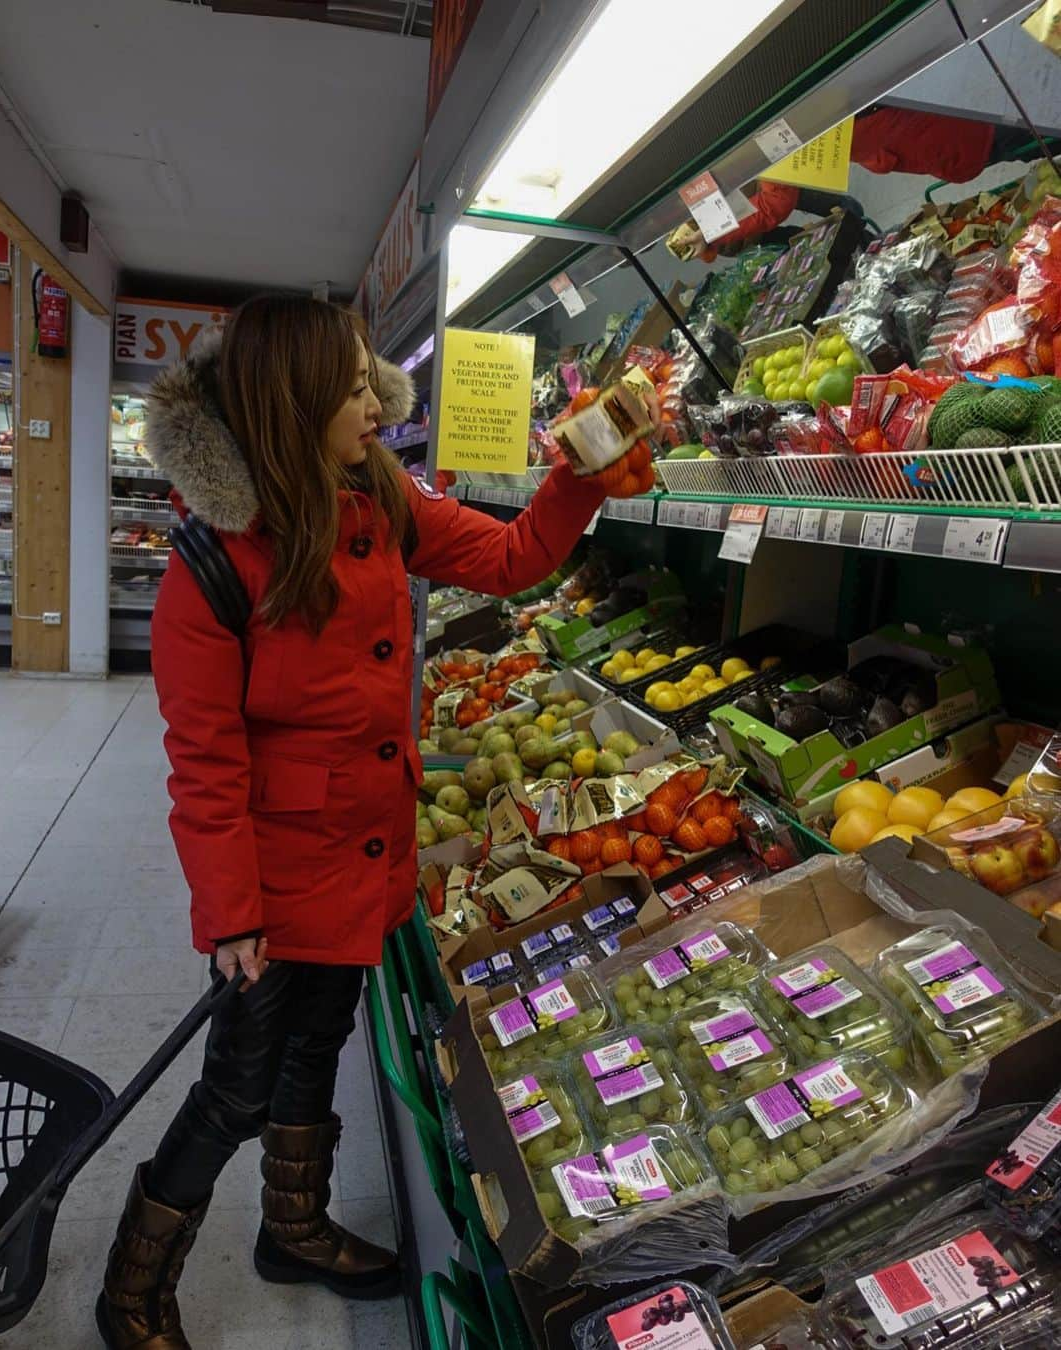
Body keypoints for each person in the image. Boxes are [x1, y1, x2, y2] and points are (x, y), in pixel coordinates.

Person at [96, 295, 611, 1349]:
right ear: (292, 402)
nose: (376, 400)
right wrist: (231, 914)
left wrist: (586, 471)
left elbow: (513, 561)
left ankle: (295, 1228)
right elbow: (204, 762)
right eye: (353, 383)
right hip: (274, 881)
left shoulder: (378, 496)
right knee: (235, 1090)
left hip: (363, 854)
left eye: (374, 378)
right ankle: (132, 1291)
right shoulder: (211, 563)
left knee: (319, 1044)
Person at [686, 106, 1043, 260]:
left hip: (927, 130)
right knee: (1016, 130)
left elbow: (773, 205)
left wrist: (711, 231)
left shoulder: (766, 133)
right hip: (916, 113)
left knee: (1019, 133)